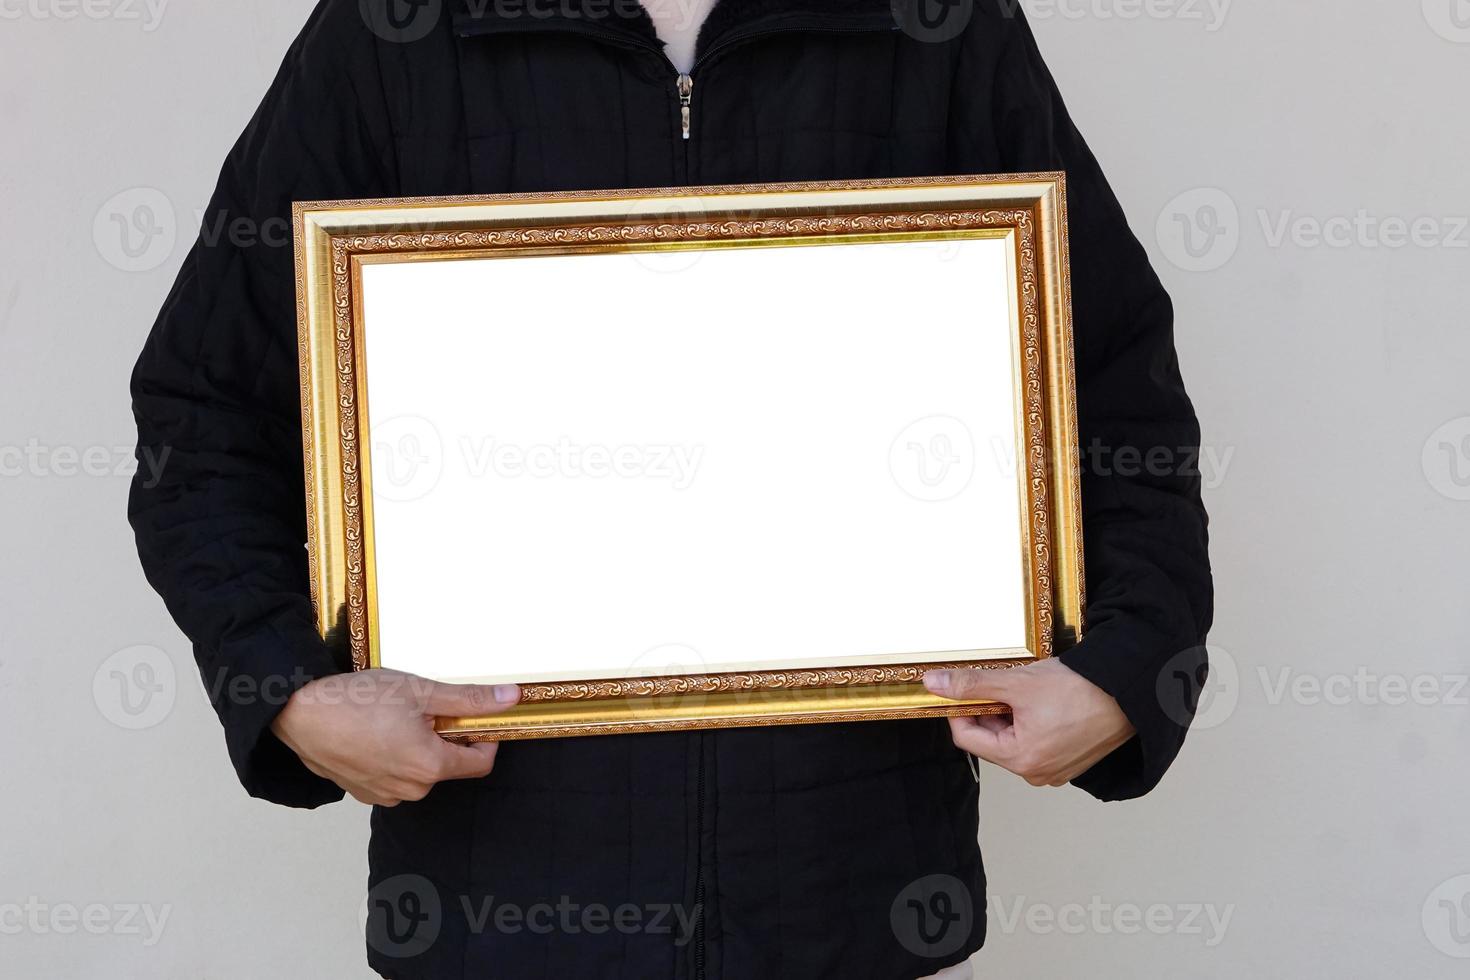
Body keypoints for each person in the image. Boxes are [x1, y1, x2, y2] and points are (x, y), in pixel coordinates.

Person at [127, 1, 1213, 976]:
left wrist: (1123, 665)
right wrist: (287, 691)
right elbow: (205, 418)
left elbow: (1113, 388)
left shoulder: (933, 26)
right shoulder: (395, 32)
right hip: (501, 913)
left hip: (850, 903)